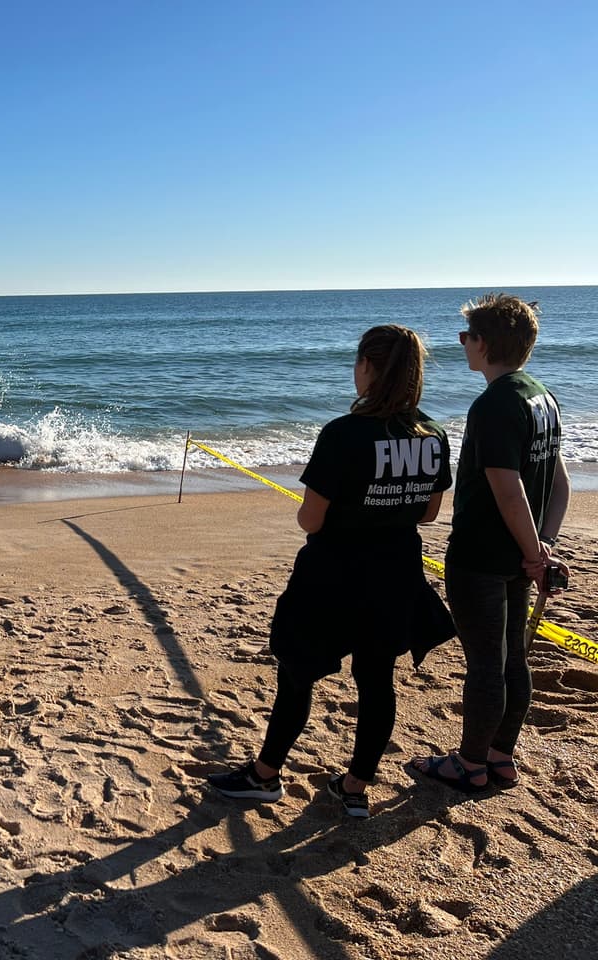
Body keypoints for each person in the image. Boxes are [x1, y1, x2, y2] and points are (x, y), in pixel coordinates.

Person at [208, 325, 455, 818]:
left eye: (358, 363)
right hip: (395, 571)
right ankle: (355, 787)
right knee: (376, 679)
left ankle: (265, 775)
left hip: (333, 574)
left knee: (298, 673)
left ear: (368, 366)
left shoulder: (343, 434)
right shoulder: (432, 434)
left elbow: (310, 518)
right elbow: (428, 513)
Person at [408, 294, 571, 793]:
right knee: (511, 658)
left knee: (486, 664)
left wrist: (533, 551)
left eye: (466, 338)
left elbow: (507, 485)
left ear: (483, 343)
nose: (462, 346)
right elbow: (559, 482)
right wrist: (541, 545)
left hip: (483, 554)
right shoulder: (542, 395)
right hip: (522, 552)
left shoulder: (495, 403)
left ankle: (472, 762)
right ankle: (501, 756)